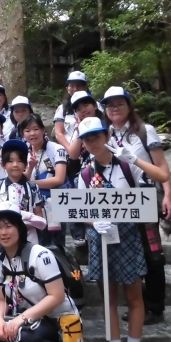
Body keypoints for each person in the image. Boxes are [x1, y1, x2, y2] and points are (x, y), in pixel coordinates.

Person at [76, 117, 168, 342]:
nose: (92, 142)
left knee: (134, 295)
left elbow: (162, 175)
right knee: (109, 297)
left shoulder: (128, 165)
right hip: (101, 238)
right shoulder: (85, 173)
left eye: (96, 136)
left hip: (128, 236)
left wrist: (135, 159)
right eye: (87, 138)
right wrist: (94, 221)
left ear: (106, 135)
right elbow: (81, 209)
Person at [101, 86, 171, 326]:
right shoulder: (106, 133)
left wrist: (168, 196)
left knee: (151, 252)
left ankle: (155, 307)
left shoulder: (144, 131)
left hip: (144, 197)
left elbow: (162, 170)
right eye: (110, 105)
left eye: (119, 104)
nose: (114, 109)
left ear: (129, 106)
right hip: (118, 200)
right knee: (130, 251)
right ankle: (139, 303)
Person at [0, 202, 82, 342]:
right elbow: (0, 300)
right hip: (29, 319)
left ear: (20, 228)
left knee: (24, 337)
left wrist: (19, 320)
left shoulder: (39, 255)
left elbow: (56, 296)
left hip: (56, 319)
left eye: (9, 226)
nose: (3, 232)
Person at [21, 114, 70, 248]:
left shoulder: (56, 149)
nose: (32, 133)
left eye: (36, 129)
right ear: (22, 134)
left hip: (55, 201)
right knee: (36, 243)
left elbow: (59, 179)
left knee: (57, 244)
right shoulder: (22, 153)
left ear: (43, 130)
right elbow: (20, 180)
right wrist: (30, 168)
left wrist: (32, 183)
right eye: (27, 130)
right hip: (33, 204)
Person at [66, 91, 104, 247]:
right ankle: (83, 233)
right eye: (79, 108)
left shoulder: (105, 124)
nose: (84, 110)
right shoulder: (79, 129)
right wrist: (78, 129)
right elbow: (73, 154)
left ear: (95, 106)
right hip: (86, 173)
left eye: (86, 105)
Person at [0, 140, 46, 244]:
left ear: (25, 164)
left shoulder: (33, 187)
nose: (15, 165)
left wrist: (22, 225)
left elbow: (38, 215)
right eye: (10, 161)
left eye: (20, 161)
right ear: (3, 164)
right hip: (5, 238)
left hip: (29, 236)